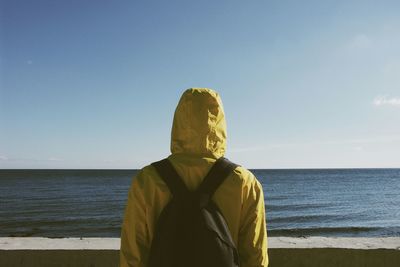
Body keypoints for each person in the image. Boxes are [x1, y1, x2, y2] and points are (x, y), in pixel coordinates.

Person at [120, 88, 268, 267]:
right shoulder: (245, 182)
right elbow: (255, 255)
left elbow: (133, 254)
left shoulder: (147, 179)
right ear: (220, 123)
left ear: (178, 122)